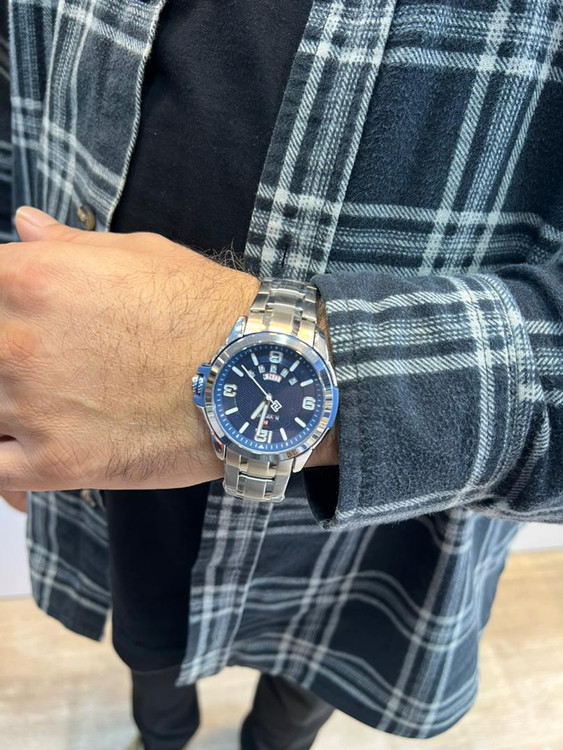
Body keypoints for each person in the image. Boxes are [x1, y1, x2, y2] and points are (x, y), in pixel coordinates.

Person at [1, 1, 562, 749]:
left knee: (320, 665)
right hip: (99, 425)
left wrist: (350, 374)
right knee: (146, 639)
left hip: (393, 496)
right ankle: (162, 737)